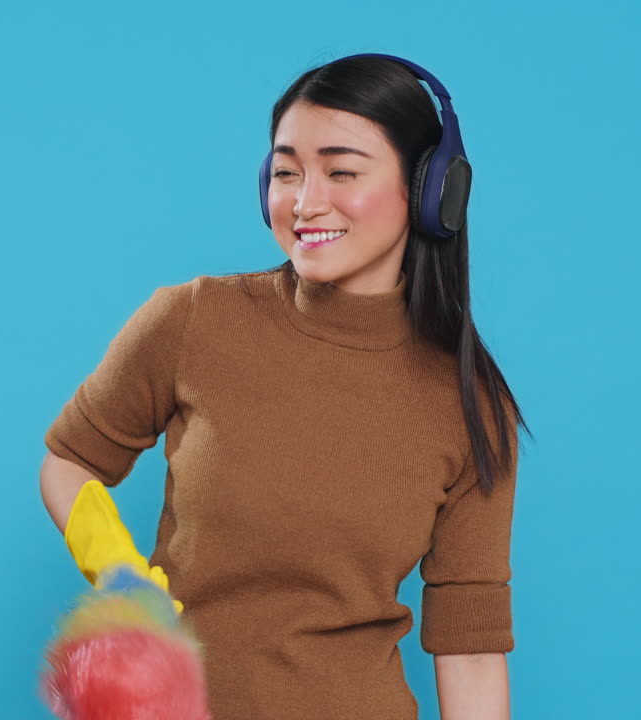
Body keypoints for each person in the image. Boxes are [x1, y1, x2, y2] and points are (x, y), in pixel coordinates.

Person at [39, 54, 530, 720]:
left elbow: (470, 651)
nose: (304, 202)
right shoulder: (192, 320)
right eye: (287, 171)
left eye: (341, 171)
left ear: (430, 190)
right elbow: (69, 461)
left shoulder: (470, 402)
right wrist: (118, 572)